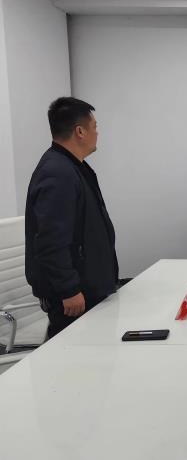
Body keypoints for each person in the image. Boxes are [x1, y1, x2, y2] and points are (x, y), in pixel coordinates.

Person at [25, 97, 119, 339]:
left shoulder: (73, 167)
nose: (97, 132)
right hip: (74, 297)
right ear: (80, 131)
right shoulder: (58, 172)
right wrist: (68, 289)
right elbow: (50, 240)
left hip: (88, 289)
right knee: (74, 355)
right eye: (94, 126)